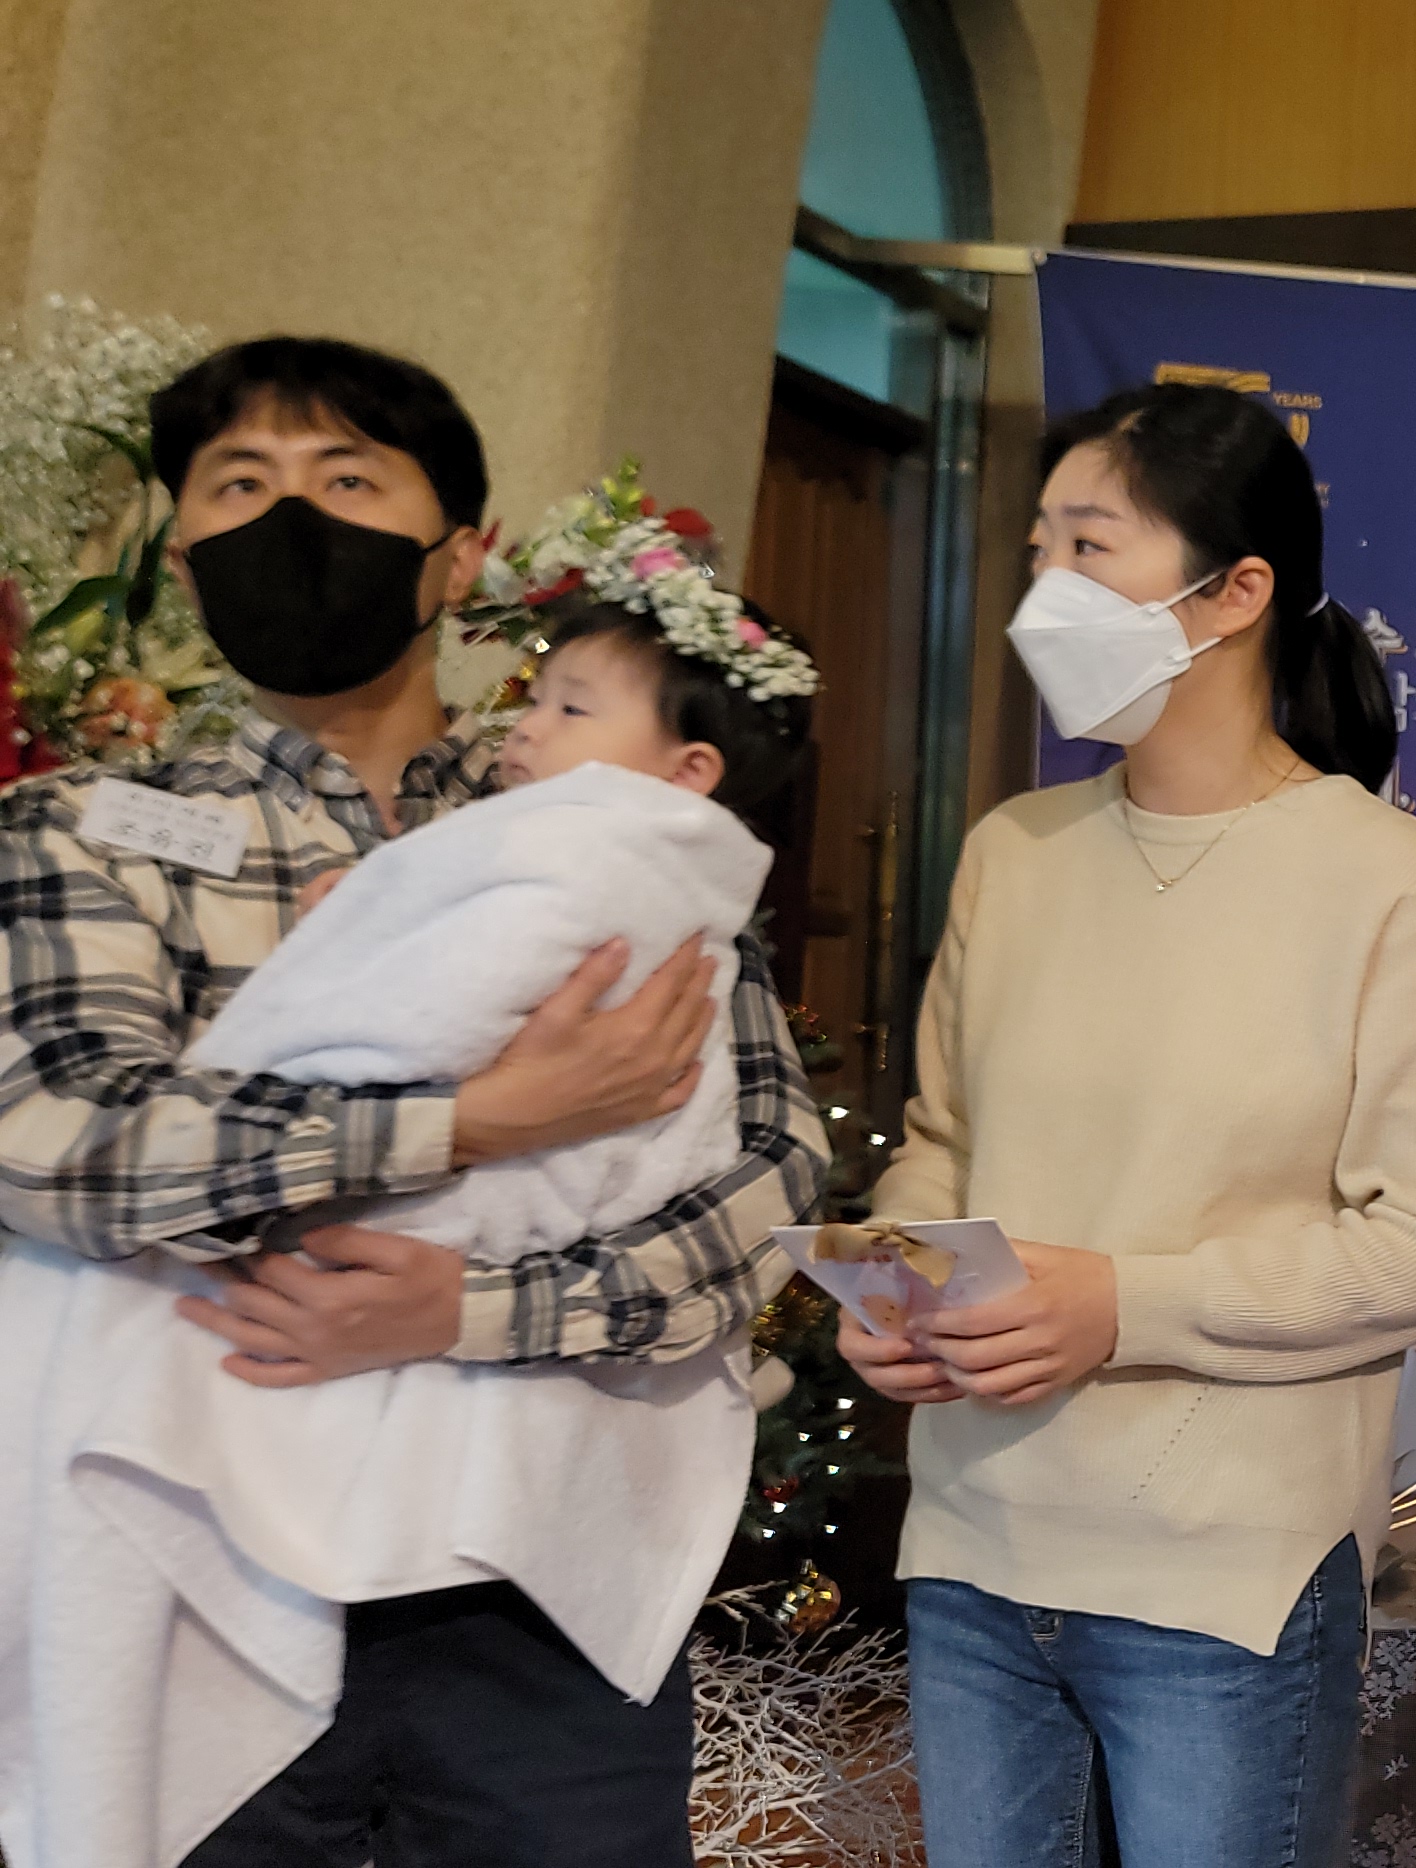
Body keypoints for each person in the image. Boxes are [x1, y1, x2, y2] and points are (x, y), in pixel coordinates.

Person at [0, 338, 826, 1868]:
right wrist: (475, 1122)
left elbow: (769, 1180)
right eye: (239, 485)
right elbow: (61, 1151)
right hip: (201, 1551)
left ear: (459, 559)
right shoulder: (81, 830)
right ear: (181, 559)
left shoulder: (609, 817)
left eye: (347, 480)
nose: (290, 517)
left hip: (531, 1564)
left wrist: (468, 1309)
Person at [832, 382, 1416, 1867]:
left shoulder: (1383, 876)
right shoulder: (1015, 851)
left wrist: (1123, 1305)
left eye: (1090, 546)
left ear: (1236, 592)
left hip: (1226, 1580)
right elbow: (941, 1140)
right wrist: (891, 1288)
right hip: (974, 1547)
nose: (1043, 589)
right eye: (1038, 549)